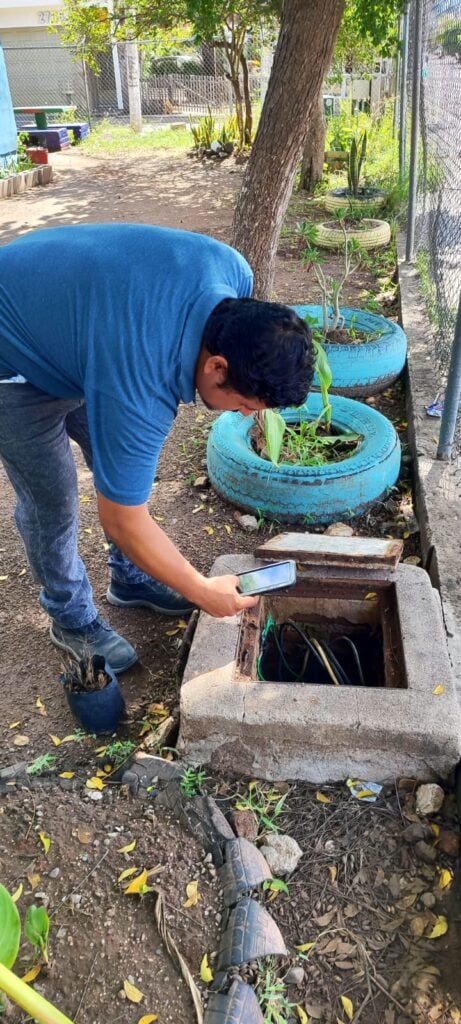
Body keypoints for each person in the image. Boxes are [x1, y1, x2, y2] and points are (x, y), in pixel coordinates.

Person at [0, 224, 314, 673]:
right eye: (245, 404)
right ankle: (70, 619)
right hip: (11, 356)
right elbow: (123, 518)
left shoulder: (234, 276)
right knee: (52, 497)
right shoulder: (138, 384)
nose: (245, 416)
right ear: (216, 365)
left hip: (77, 327)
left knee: (124, 471)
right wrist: (201, 590)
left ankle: (129, 580)